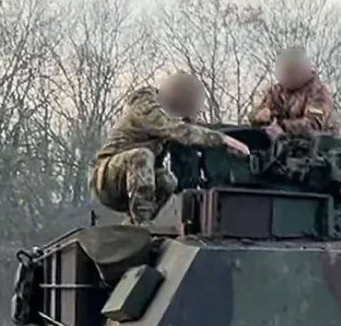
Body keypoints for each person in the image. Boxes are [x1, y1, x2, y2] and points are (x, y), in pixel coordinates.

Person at [90, 71, 250, 224]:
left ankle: (134, 223)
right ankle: (141, 222)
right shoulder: (146, 109)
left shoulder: (168, 118)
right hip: (104, 180)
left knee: (168, 181)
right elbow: (179, 131)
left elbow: (195, 130)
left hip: (129, 182)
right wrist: (222, 140)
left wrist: (236, 139)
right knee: (141, 156)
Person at [249, 46, 341, 138]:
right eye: (284, 72)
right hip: (277, 141)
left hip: (317, 143)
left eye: (291, 72)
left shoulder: (319, 92)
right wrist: (260, 116)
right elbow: (257, 113)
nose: (287, 76)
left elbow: (314, 124)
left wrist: (283, 126)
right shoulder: (276, 91)